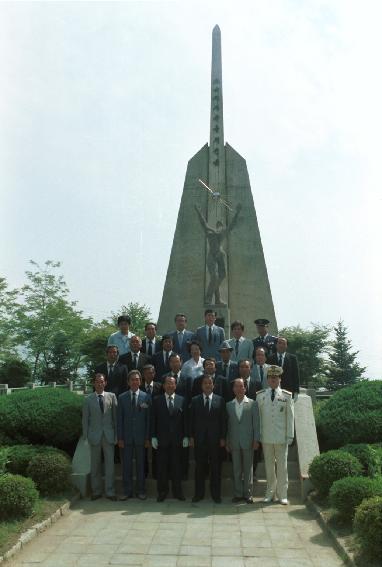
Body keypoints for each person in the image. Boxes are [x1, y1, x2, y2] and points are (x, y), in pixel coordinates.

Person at [255, 365, 294, 505]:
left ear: (279, 379)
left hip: (281, 437)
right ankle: (270, 493)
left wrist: (290, 436)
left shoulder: (286, 395)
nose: (273, 380)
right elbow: (258, 417)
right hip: (266, 437)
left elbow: (290, 417)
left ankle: (283, 495)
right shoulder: (260, 395)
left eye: (275, 377)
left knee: (282, 466)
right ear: (267, 379)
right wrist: (258, 435)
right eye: (270, 378)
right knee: (269, 466)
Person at [195, 203, 241, 305]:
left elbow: (232, 225)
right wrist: (198, 211)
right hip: (212, 255)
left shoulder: (223, 232)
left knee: (222, 275)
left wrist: (237, 212)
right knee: (214, 277)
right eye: (219, 225)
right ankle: (209, 297)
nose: (220, 227)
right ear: (217, 226)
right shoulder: (209, 232)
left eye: (221, 225)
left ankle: (217, 300)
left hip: (220, 255)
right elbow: (203, 222)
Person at [190, 375, 227, 503]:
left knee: (215, 468)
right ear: (201, 385)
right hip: (199, 440)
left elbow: (223, 420)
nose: (207, 385)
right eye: (205, 383)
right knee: (199, 468)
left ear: (213, 385)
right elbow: (191, 420)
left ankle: (216, 494)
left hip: (215, 440)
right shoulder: (195, 400)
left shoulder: (220, 400)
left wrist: (223, 437)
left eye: (210, 383)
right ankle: (198, 494)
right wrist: (192, 437)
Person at [151, 376, 188, 502]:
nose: (170, 386)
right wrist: (153, 436)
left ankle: (178, 492)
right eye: (167, 383)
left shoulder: (182, 400)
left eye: (172, 384)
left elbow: (185, 420)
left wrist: (186, 436)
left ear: (175, 386)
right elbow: (153, 419)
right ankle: (162, 492)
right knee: (162, 468)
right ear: (163, 386)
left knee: (177, 467)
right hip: (162, 440)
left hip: (177, 440)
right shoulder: (157, 400)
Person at [82, 373, 117, 501]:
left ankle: (110, 491)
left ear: (105, 383)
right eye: (97, 382)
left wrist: (117, 435)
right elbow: (85, 420)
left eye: (102, 382)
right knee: (95, 465)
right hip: (94, 436)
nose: (100, 384)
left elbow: (115, 418)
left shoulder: (112, 396)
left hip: (109, 436)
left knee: (110, 466)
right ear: (94, 383)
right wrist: (85, 437)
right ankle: (96, 491)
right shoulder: (88, 399)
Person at [117, 370, 150, 500]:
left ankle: (141, 490)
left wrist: (147, 437)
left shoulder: (146, 397)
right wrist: (120, 437)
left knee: (141, 466)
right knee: (127, 466)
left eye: (137, 379)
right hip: (126, 437)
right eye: (132, 380)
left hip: (141, 438)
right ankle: (127, 491)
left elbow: (148, 419)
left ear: (140, 381)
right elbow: (120, 419)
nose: (135, 382)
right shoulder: (122, 397)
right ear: (128, 382)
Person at [226, 378, 260, 504]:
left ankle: (248, 494)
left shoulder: (252, 403)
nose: (239, 389)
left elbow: (256, 424)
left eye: (242, 386)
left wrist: (256, 440)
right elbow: (228, 425)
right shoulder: (229, 405)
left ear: (245, 388)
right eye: (237, 386)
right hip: (234, 441)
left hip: (248, 441)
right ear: (233, 389)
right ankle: (238, 493)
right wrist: (228, 441)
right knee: (236, 469)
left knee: (248, 469)